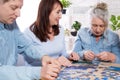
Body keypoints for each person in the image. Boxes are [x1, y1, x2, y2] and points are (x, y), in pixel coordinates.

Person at [0, 0, 61, 80]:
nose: (19, 14)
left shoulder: (11, 24)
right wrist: (38, 72)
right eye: (13, 8)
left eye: (20, 8)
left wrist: (43, 57)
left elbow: (26, 46)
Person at [23, 0, 78, 66]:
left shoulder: (60, 30)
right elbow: (29, 62)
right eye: (58, 12)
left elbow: (63, 54)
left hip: (58, 70)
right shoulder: (29, 33)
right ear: (46, 12)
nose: (60, 16)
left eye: (61, 12)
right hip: (39, 73)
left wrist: (69, 55)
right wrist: (54, 62)